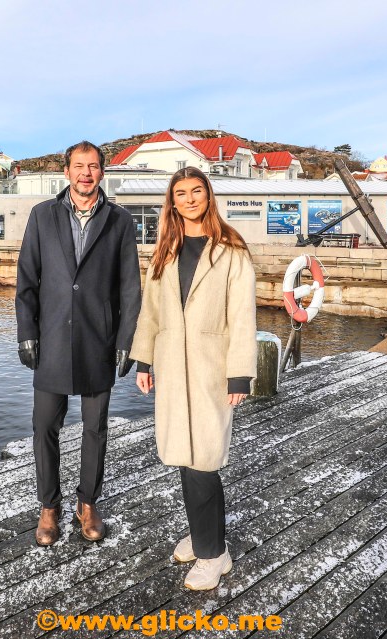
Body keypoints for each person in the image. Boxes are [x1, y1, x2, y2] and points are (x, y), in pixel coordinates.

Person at [130, 167, 257, 590]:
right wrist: (144, 362)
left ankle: (213, 554)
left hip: (211, 368)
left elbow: (242, 316)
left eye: (196, 191)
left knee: (205, 459)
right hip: (171, 365)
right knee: (184, 456)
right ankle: (206, 533)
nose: (188, 199)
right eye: (180, 193)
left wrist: (240, 373)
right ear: (172, 200)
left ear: (208, 195)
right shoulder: (166, 249)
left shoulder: (231, 249)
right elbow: (150, 311)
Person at [15, 141, 141, 546]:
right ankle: (49, 507)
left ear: (102, 172)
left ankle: (87, 503)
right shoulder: (42, 216)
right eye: (78, 166)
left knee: (95, 428)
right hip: (51, 338)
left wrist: (126, 341)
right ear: (66, 172)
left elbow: (130, 289)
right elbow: (26, 282)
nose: (86, 173)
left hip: (97, 340)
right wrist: (26, 333)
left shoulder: (120, 221)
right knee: (43, 427)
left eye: (93, 167)